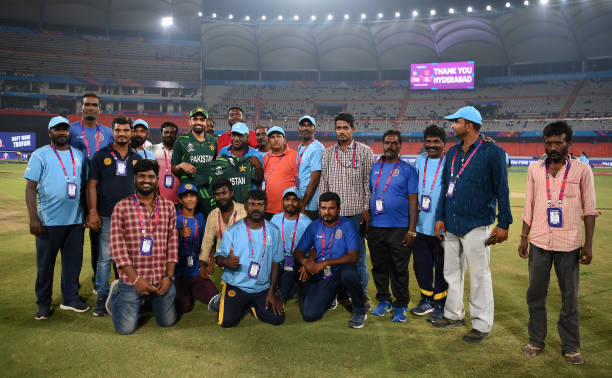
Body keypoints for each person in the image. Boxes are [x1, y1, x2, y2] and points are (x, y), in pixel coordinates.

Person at [518, 121, 599, 365]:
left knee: (570, 297)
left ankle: (571, 346)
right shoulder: (534, 169)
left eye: (558, 142)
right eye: (549, 142)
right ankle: (536, 340)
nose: (553, 147)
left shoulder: (582, 171)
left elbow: (590, 210)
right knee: (535, 294)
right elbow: (529, 205)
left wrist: (588, 245)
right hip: (540, 241)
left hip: (569, 243)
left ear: (568, 144)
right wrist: (524, 237)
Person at [433, 106, 512, 343]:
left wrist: (504, 222)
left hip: (477, 224)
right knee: (451, 273)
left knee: (479, 276)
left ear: (468, 124)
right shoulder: (452, 153)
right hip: (451, 221)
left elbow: (502, 189)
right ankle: (454, 314)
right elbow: (444, 186)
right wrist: (439, 216)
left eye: (455, 122)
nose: (452, 126)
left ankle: (481, 323)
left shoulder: (492, 152)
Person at [25, 116, 89, 319]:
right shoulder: (40, 155)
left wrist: (87, 213)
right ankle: (43, 304)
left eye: (65, 129)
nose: (62, 133)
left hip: (75, 221)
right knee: (45, 265)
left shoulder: (79, 155)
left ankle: (70, 298)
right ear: (50, 132)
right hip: (48, 222)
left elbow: (85, 187)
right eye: (57, 129)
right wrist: (33, 218)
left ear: (69, 131)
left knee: (73, 264)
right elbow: (30, 188)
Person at [106, 160, 178, 334]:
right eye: (142, 176)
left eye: (151, 177)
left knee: (167, 322)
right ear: (134, 179)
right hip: (133, 280)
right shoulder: (121, 207)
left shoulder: (168, 207)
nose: (146, 180)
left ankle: (150, 300)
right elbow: (117, 248)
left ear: (156, 179)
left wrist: (168, 276)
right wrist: (136, 280)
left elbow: (173, 244)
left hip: (161, 278)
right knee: (125, 329)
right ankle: (117, 295)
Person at [88, 117, 143, 316]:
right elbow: (92, 184)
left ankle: (126, 291)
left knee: (130, 257)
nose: (122, 133)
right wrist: (93, 211)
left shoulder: (136, 158)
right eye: (118, 130)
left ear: (131, 133)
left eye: (126, 130)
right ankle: (102, 297)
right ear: (113, 132)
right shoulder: (101, 156)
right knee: (104, 258)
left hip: (132, 217)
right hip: (107, 215)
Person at [319, 113, 374, 305]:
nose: (341, 131)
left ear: (353, 129)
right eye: (338, 128)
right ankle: (336, 292)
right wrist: (323, 211)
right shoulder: (327, 153)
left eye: (345, 128)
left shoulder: (365, 152)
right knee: (332, 255)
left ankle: (361, 292)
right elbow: (323, 184)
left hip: (356, 214)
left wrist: (366, 210)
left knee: (357, 258)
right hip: (333, 216)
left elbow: (369, 183)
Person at [293, 192, 366, 328]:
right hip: (323, 275)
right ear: (319, 209)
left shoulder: (347, 225)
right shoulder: (314, 226)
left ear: (338, 209)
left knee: (349, 273)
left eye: (331, 208)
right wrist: (306, 262)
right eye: (323, 208)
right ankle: (328, 295)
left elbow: (353, 256)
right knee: (310, 315)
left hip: (341, 270)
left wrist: (324, 263)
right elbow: (298, 252)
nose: (327, 212)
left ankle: (360, 311)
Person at [214, 190, 285, 327]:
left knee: (278, 319)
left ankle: (251, 305)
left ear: (265, 207)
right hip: (237, 285)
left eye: (260, 204)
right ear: (245, 207)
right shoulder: (233, 231)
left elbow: (276, 262)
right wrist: (226, 261)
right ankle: (238, 302)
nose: (256, 208)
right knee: (226, 322)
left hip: (262, 288)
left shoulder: (274, 231)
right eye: (252, 204)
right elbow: (218, 258)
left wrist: (272, 291)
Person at [367, 130, 418, 322]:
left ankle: (401, 304)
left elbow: (414, 202)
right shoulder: (375, 166)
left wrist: (411, 230)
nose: (390, 146)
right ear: (382, 145)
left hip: (399, 227)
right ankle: (384, 300)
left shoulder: (407, 169)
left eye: (394, 143)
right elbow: (372, 193)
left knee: (399, 267)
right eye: (387, 142)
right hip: (376, 226)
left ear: (400, 145)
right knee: (379, 266)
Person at [69, 93, 113, 288]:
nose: (91, 107)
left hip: (99, 192)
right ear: (81, 107)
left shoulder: (108, 132)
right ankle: (72, 284)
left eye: (95, 105)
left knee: (98, 238)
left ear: (99, 109)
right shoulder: (70, 130)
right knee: (75, 241)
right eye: (87, 104)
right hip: (77, 192)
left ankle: (98, 279)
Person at [411, 125, 449, 322]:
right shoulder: (420, 160)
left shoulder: (450, 161)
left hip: (441, 227)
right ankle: (426, 299)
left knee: (442, 267)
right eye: (428, 142)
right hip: (420, 225)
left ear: (444, 144)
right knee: (421, 265)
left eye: (436, 142)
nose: (432, 146)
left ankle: (441, 303)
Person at [174, 183, 220, 314]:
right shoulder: (174, 217)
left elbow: (209, 240)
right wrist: (178, 234)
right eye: (186, 196)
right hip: (178, 272)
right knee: (183, 307)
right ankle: (183, 292)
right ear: (180, 200)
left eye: (192, 196)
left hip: (196, 269)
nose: (189, 199)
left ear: (197, 199)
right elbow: (163, 243)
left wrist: (210, 262)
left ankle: (194, 289)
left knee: (217, 301)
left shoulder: (200, 217)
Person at [171, 108, 217, 217]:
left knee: (208, 223)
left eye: (202, 119)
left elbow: (214, 165)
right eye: (195, 119)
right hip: (188, 192)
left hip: (207, 192)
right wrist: (182, 165)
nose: (198, 122)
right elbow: (173, 169)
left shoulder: (213, 141)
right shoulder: (181, 141)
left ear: (206, 122)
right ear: (190, 121)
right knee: (187, 225)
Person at [200, 178, 247, 280]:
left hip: (244, 262)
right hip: (221, 261)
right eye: (217, 194)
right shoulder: (212, 215)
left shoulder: (244, 211)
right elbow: (207, 242)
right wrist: (202, 265)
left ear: (231, 193)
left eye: (224, 193)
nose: (220, 197)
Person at [270, 188, 312, 302]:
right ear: (282, 202)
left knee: (283, 295)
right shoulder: (275, 219)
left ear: (300, 202)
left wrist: (306, 265)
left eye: (294, 200)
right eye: (287, 200)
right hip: (278, 261)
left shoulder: (307, 222)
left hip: (298, 262)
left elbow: (314, 248)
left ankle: (295, 285)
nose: (291, 203)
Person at [211, 123, 264, 203]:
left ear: (247, 137)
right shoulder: (223, 151)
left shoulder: (256, 155)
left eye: (240, 135)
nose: (236, 139)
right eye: (233, 135)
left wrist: (259, 168)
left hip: (248, 202)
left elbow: (260, 182)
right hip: (227, 202)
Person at [263, 126, 297, 219]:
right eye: (272, 137)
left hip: (286, 209)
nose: (275, 140)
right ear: (269, 140)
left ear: (284, 139)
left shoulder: (294, 156)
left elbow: (299, 181)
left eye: (278, 136)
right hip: (267, 209)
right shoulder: (266, 157)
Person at [295, 115, 325, 220]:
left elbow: (315, 179)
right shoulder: (300, 146)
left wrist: (303, 204)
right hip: (301, 197)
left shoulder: (317, 148)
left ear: (315, 130)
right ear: (298, 129)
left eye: (309, 125)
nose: (306, 128)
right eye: (303, 125)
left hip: (311, 204)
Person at [152, 121, 180, 205]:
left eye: (172, 133)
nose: (169, 135)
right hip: (156, 201)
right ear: (161, 133)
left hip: (178, 201)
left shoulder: (181, 151)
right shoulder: (152, 149)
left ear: (176, 135)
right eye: (166, 132)